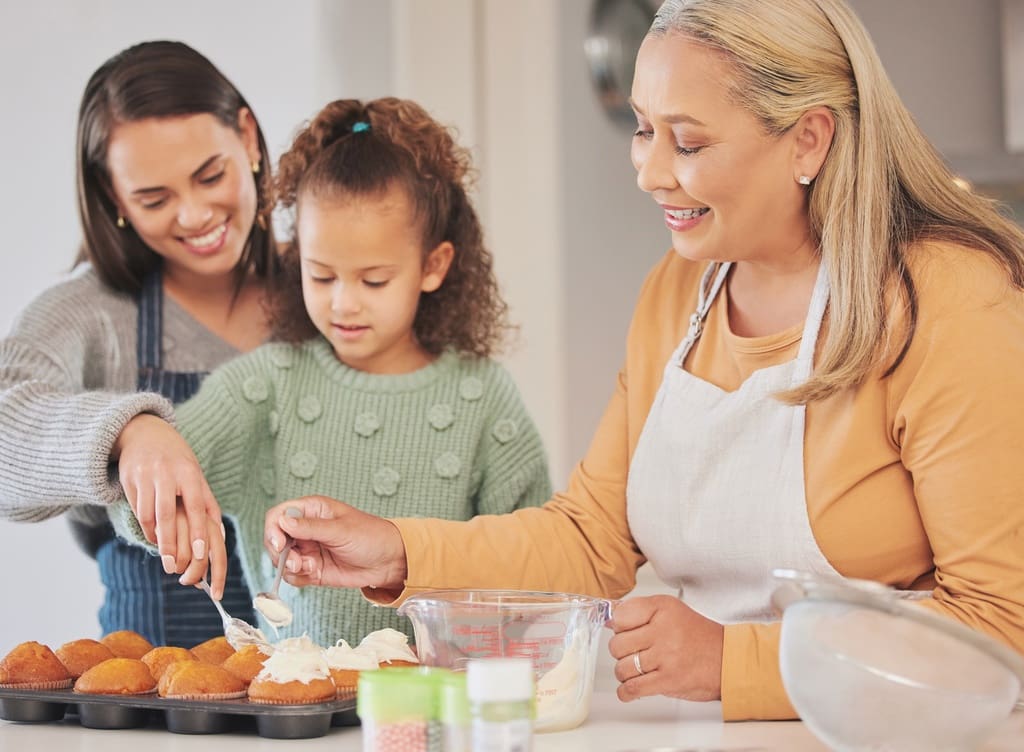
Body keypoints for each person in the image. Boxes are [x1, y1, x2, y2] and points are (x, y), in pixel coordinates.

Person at [217, 0, 1024, 720]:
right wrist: (395, 548)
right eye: (644, 128)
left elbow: (1002, 623)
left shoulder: (945, 299)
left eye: (689, 140)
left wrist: (738, 661)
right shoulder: (681, 290)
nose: (648, 169)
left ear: (808, 138)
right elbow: (591, 542)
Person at [109, 97, 553, 647]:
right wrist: (146, 461)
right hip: (302, 712)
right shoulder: (265, 386)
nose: (344, 304)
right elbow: (139, 503)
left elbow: (538, 568)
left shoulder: (484, 398)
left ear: (433, 267)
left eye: (373, 282)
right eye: (321, 277)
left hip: (443, 706)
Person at [0, 40, 278, 647]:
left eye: (211, 176)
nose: (195, 214)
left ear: (249, 139)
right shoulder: (91, 314)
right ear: (113, 198)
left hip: (338, 714)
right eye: (154, 199)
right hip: (154, 721)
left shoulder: (333, 298)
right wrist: (130, 432)